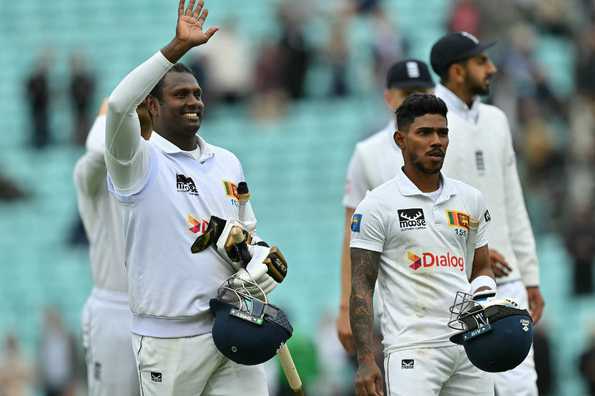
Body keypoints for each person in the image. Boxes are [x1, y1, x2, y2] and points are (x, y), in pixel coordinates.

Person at [105, 1, 285, 394]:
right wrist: (176, 48)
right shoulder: (136, 159)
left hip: (234, 325)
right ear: (152, 106)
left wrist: (259, 260)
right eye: (180, 94)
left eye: (198, 93)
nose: (194, 101)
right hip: (168, 341)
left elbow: (246, 234)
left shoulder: (227, 162)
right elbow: (118, 106)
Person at [350, 93, 496, 396]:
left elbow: (481, 267)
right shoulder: (376, 205)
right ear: (400, 140)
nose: (436, 141)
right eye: (424, 133)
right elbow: (362, 287)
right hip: (413, 350)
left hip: (470, 346)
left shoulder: (470, 199)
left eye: (442, 133)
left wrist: (485, 296)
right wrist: (365, 360)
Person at [430, 31, 544, 395]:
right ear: (457, 71)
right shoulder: (427, 118)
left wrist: (531, 276)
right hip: (453, 282)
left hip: (507, 277)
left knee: (521, 388)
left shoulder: (496, 119)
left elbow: (512, 202)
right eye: (481, 61)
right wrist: (472, 254)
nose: (492, 68)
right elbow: (425, 204)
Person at [337, 59, 435, 353]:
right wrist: (346, 306)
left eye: (423, 93)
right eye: (408, 95)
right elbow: (353, 234)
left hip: (453, 289)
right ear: (389, 98)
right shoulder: (368, 154)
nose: (416, 102)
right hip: (399, 301)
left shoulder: (454, 144)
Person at [74, 98, 151, 396]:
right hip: (113, 309)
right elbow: (97, 149)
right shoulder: (89, 172)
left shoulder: (155, 166)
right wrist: (116, 111)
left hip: (157, 308)